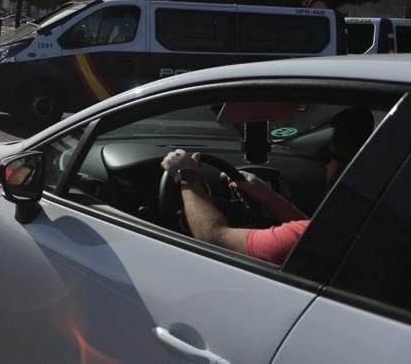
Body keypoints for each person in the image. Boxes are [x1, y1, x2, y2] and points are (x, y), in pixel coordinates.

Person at [160, 106, 374, 264]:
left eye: (327, 155)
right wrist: (268, 196)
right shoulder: (371, 225)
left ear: (353, 166)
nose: (325, 164)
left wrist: (185, 175)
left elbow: (213, 237)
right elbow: (309, 236)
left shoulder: (337, 230)